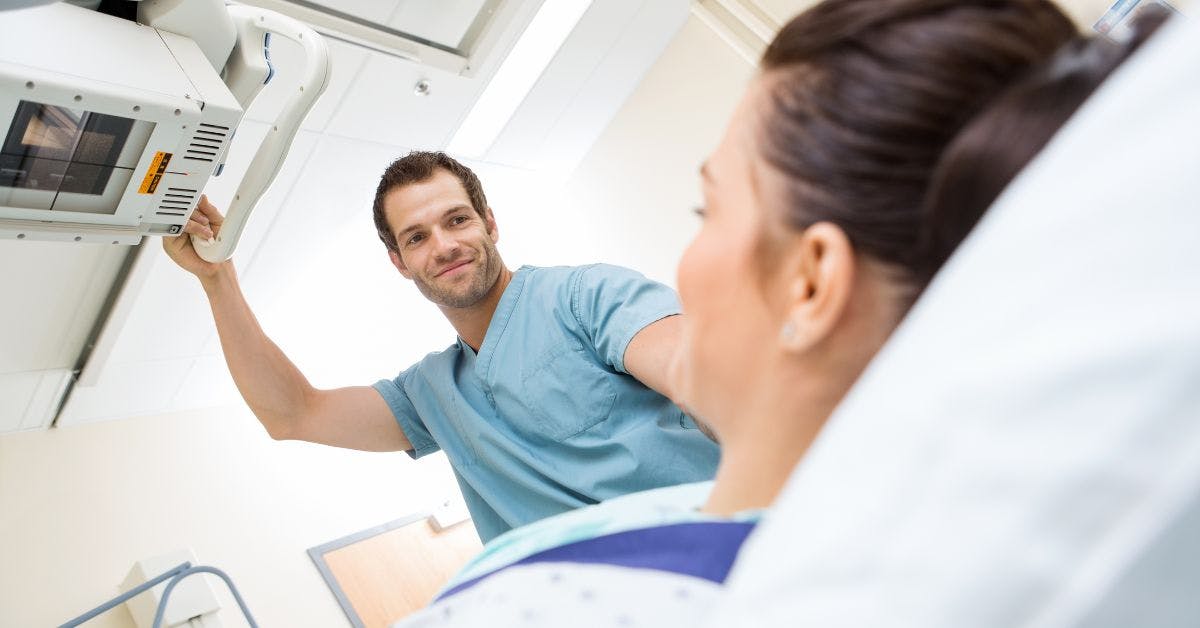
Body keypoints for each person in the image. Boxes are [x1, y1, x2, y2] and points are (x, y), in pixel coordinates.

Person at [391, 1, 1100, 626]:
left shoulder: (529, 592)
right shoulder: (959, 539)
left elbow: (678, 366)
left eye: (711, 210)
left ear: (815, 283)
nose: (681, 272)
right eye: (416, 235)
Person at [165, 150, 719, 542]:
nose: (445, 245)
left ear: (490, 224)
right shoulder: (433, 395)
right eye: (417, 236)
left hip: (721, 558)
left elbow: (707, 380)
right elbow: (293, 413)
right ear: (399, 262)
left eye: (457, 220)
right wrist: (218, 279)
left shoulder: (586, 296)